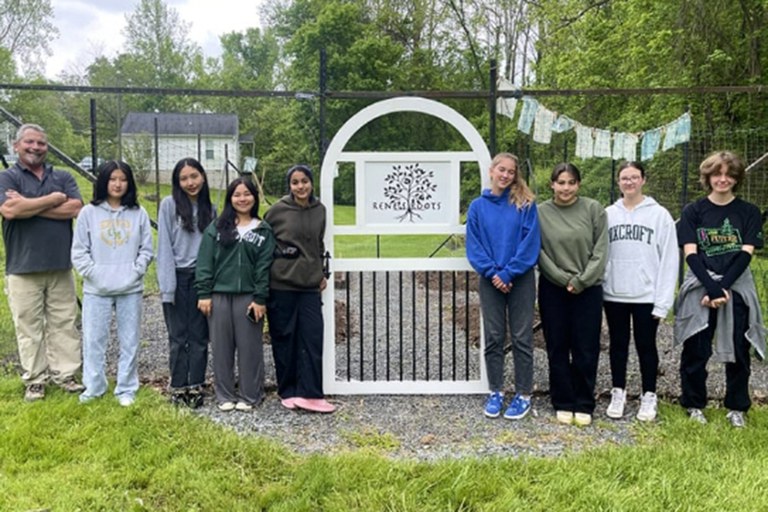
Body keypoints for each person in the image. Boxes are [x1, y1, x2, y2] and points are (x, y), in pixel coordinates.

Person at [675, 151, 765, 428]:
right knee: (696, 348)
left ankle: (737, 407)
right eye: (717, 174)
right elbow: (690, 253)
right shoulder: (694, 211)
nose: (722, 179)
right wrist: (711, 288)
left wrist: (722, 288)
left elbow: (746, 254)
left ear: (736, 179)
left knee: (739, 348)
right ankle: (693, 403)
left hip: (736, 288)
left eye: (729, 175)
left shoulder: (748, 212)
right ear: (708, 177)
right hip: (700, 286)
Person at [0, 123, 84, 401]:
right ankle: (35, 379)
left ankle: (65, 374)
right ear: (16, 146)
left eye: (41, 143)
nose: (36, 148)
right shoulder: (7, 178)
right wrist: (51, 200)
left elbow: (75, 208)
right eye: (30, 143)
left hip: (60, 264)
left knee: (64, 322)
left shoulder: (62, 176)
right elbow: (10, 210)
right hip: (22, 267)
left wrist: (29, 205)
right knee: (29, 326)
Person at [71, 161, 153, 406]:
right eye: (113, 179)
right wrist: (95, 274)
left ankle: (126, 387)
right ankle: (94, 386)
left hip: (130, 288)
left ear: (129, 183)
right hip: (97, 289)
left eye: (123, 179)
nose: (118, 184)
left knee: (130, 339)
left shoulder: (138, 213)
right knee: (94, 339)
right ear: (104, 182)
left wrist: (135, 272)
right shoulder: (89, 213)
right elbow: (79, 252)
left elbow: (146, 250)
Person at [466, 153, 540, 420]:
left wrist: (509, 273)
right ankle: (496, 390)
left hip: (519, 279)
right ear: (492, 170)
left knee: (522, 337)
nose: (506, 175)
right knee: (494, 337)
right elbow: (474, 246)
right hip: (490, 280)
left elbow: (530, 243)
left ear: (515, 175)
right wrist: (494, 273)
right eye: (501, 170)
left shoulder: (525, 204)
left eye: (511, 171)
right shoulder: (477, 207)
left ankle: (523, 394)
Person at [603, 162, 679, 422]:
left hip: (646, 295)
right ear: (618, 182)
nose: (629, 182)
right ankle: (618, 391)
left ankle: (649, 395)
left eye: (634, 177)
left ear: (643, 180)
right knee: (618, 345)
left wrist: (663, 302)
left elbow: (670, 260)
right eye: (624, 178)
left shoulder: (659, 216)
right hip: (614, 293)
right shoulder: (608, 214)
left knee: (646, 346)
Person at [195, 177, 275, 412]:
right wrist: (204, 293)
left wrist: (260, 298)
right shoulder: (217, 228)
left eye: (247, 194)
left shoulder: (263, 230)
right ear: (230, 198)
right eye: (237, 194)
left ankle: (251, 395)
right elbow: (205, 262)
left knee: (250, 348)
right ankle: (225, 394)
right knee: (221, 347)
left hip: (249, 298)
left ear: (254, 197)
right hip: (218, 296)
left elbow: (264, 267)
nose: (242, 198)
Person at [538, 162, 608, 426]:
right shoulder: (540, 212)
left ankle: (584, 402)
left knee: (586, 347)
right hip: (553, 288)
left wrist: (581, 280)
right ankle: (562, 401)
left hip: (588, 288)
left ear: (578, 184)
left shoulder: (593, 209)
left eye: (571, 182)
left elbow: (601, 250)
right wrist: (562, 278)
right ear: (552, 185)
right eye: (560, 182)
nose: (565, 188)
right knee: (557, 345)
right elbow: (538, 250)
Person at [265, 165, 336, 413]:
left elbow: (318, 243)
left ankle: (311, 392)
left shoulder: (320, 211)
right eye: (295, 182)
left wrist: (321, 272)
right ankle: (288, 390)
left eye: (304, 181)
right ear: (289, 186)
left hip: (309, 285)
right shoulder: (277, 210)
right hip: (282, 283)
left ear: (311, 183)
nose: (300, 186)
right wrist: (282, 254)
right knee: (285, 337)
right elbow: (265, 240)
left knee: (312, 336)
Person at [157, 158, 216, 408]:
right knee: (178, 336)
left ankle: (196, 384)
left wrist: (209, 284)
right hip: (177, 276)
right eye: (184, 178)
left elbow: (213, 250)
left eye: (194, 176)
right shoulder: (169, 205)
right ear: (177, 182)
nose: (190, 183)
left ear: (203, 177)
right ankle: (179, 385)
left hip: (201, 278)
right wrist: (167, 287)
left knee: (200, 335)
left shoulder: (210, 209)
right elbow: (164, 248)